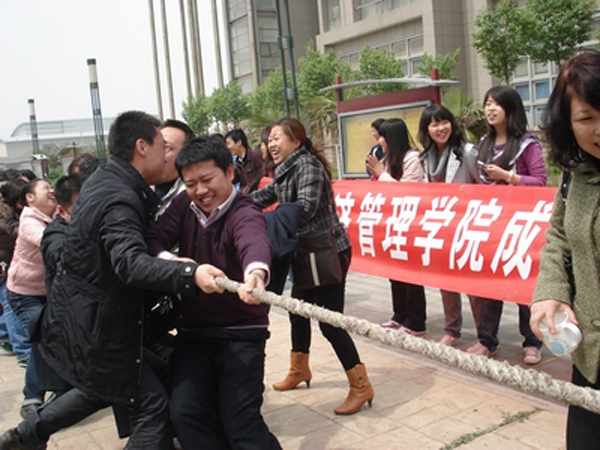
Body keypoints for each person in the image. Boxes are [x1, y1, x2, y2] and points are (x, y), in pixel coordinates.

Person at [0, 111, 225, 450]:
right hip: (99, 327)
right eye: (162, 147)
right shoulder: (119, 197)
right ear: (141, 147)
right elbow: (129, 263)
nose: (167, 156)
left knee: (104, 388)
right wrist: (189, 273)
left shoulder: (107, 181)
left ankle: (25, 436)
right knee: (151, 408)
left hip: (87, 321)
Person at [146, 135, 280, 449]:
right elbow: (154, 240)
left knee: (241, 422)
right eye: (191, 183)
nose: (200, 191)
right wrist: (177, 266)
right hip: (194, 333)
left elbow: (253, 242)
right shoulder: (183, 205)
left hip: (242, 333)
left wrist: (255, 274)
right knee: (185, 414)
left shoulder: (244, 211)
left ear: (230, 172)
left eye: (207, 180)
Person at [251, 117, 374, 415]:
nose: (271, 144)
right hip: (305, 253)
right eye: (270, 139)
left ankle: (361, 386)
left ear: (296, 140)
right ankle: (300, 370)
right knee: (298, 311)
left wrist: (266, 221)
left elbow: (304, 208)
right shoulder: (286, 168)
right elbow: (264, 195)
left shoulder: (308, 166)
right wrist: (235, 207)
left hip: (327, 253)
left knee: (330, 322)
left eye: (277, 138)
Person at [529, 48, 600, 449]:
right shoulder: (576, 174)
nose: (599, 129)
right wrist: (551, 290)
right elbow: (558, 234)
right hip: (591, 359)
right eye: (586, 118)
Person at [466, 86, 546, 364]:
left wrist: (508, 177)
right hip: (492, 224)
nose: (490, 109)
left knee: (523, 285)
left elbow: (540, 182)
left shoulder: (527, 143)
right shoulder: (484, 143)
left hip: (520, 226)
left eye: (496, 104)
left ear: (510, 109)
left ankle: (532, 342)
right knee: (490, 285)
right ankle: (486, 340)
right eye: (487, 103)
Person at [417, 104, 482, 346]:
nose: (441, 128)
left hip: (466, 226)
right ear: (427, 130)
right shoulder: (425, 157)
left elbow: (483, 187)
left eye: (444, 122)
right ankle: (452, 330)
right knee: (446, 282)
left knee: (473, 286)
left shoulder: (468, 153)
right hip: (440, 228)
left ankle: (484, 335)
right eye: (434, 124)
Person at [367, 118, 427, 336]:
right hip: (391, 224)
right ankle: (399, 314)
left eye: (382, 136)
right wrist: (377, 175)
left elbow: (406, 191)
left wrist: (381, 174)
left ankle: (416, 321)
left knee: (411, 275)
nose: (379, 141)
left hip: (410, 224)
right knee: (394, 271)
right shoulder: (388, 159)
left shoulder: (412, 158)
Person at [6, 179, 57, 418]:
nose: (51, 191)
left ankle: (61, 391)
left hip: (48, 292)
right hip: (24, 294)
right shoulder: (28, 221)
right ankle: (32, 397)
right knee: (43, 336)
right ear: (30, 198)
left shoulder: (56, 213)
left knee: (56, 337)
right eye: (45, 188)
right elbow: (48, 241)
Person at [0, 178, 28, 366]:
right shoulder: (5, 218)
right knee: (8, 303)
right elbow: (15, 231)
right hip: (4, 265)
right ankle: (22, 349)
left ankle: (6, 336)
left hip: (8, 264)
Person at [154, 119, 195, 214]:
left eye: (167, 148)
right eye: (155, 148)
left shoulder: (192, 197)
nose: (158, 155)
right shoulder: (139, 190)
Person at [225, 128, 264, 195]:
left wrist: (246, 191)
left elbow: (263, 175)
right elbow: (233, 179)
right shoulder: (238, 162)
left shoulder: (255, 156)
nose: (227, 147)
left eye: (228, 143)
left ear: (238, 142)